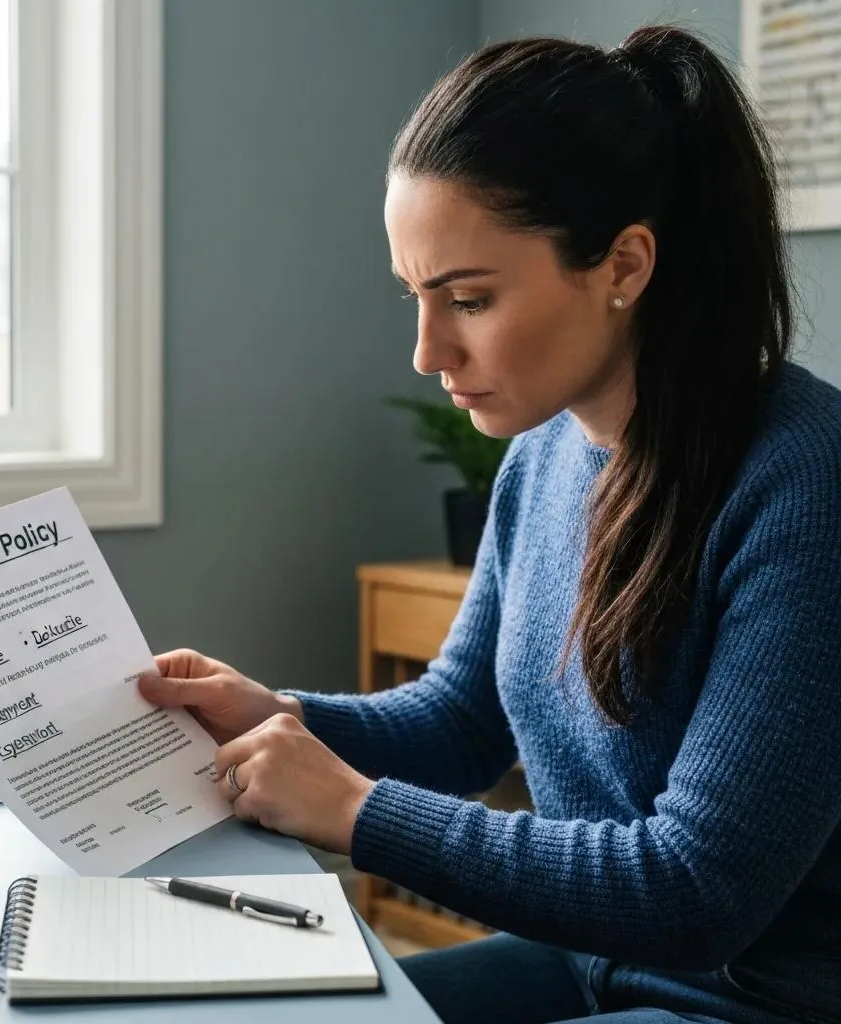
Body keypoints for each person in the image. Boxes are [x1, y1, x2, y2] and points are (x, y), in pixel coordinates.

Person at [138, 24, 841, 1024]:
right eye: (416, 297)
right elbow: (460, 723)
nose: (427, 351)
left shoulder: (806, 482)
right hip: (583, 961)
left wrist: (351, 810)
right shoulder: (543, 457)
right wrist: (268, 712)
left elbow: (697, 889)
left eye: (467, 298)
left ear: (624, 265)